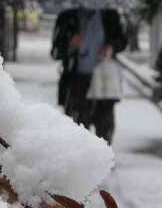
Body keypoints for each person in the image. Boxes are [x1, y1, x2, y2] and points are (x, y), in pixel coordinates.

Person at [51, 8, 127, 142]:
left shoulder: (109, 15)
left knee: (104, 130)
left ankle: (102, 160)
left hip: (104, 82)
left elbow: (122, 41)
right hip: (76, 83)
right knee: (77, 133)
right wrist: (70, 43)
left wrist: (111, 47)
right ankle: (80, 161)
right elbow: (56, 52)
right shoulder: (67, 16)